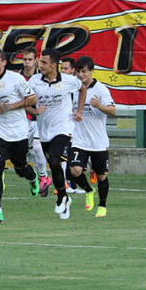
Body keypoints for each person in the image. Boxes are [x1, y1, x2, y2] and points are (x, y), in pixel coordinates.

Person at [0, 48, 41, 224]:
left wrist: (10, 106)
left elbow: (32, 99)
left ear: (3, 62)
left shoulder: (16, 79)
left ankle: (32, 177)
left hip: (17, 132)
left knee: (20, 167)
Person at [28, 49, 86, 220]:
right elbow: (24, 101)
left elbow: (83, 89)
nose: (41, 65)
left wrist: (80, 111)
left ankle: (61, 196)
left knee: (55, 159)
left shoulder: (69, 80)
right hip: (44, 131)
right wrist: (33, 110)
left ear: (54, 65)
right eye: (40, 62)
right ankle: (64, 197)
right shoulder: (34, 81)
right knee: (53, 164)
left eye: (44, 62)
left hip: (63, 129)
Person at [69, 56, 115, 217]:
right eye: (78, 72)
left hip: (97, 141)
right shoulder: (73, 89)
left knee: (102, 175)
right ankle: (89, 190)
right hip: (78, 139)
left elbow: (113, 111)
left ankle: (102, 206)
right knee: (74, 170)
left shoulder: (101, 89)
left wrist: (99, 105)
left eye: (84, 72)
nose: (81, 75)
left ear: (91, 72)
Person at [19, 47, 51, 193]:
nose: (27, 63)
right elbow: (18, 103)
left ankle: (43, 177)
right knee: (21, 156)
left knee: (38, 148)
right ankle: (32, 177)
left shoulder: (41, 77)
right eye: (24, 59)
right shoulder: (17, 78)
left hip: (39, 121)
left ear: (36, 61)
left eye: (30, 60)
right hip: (21, 121)